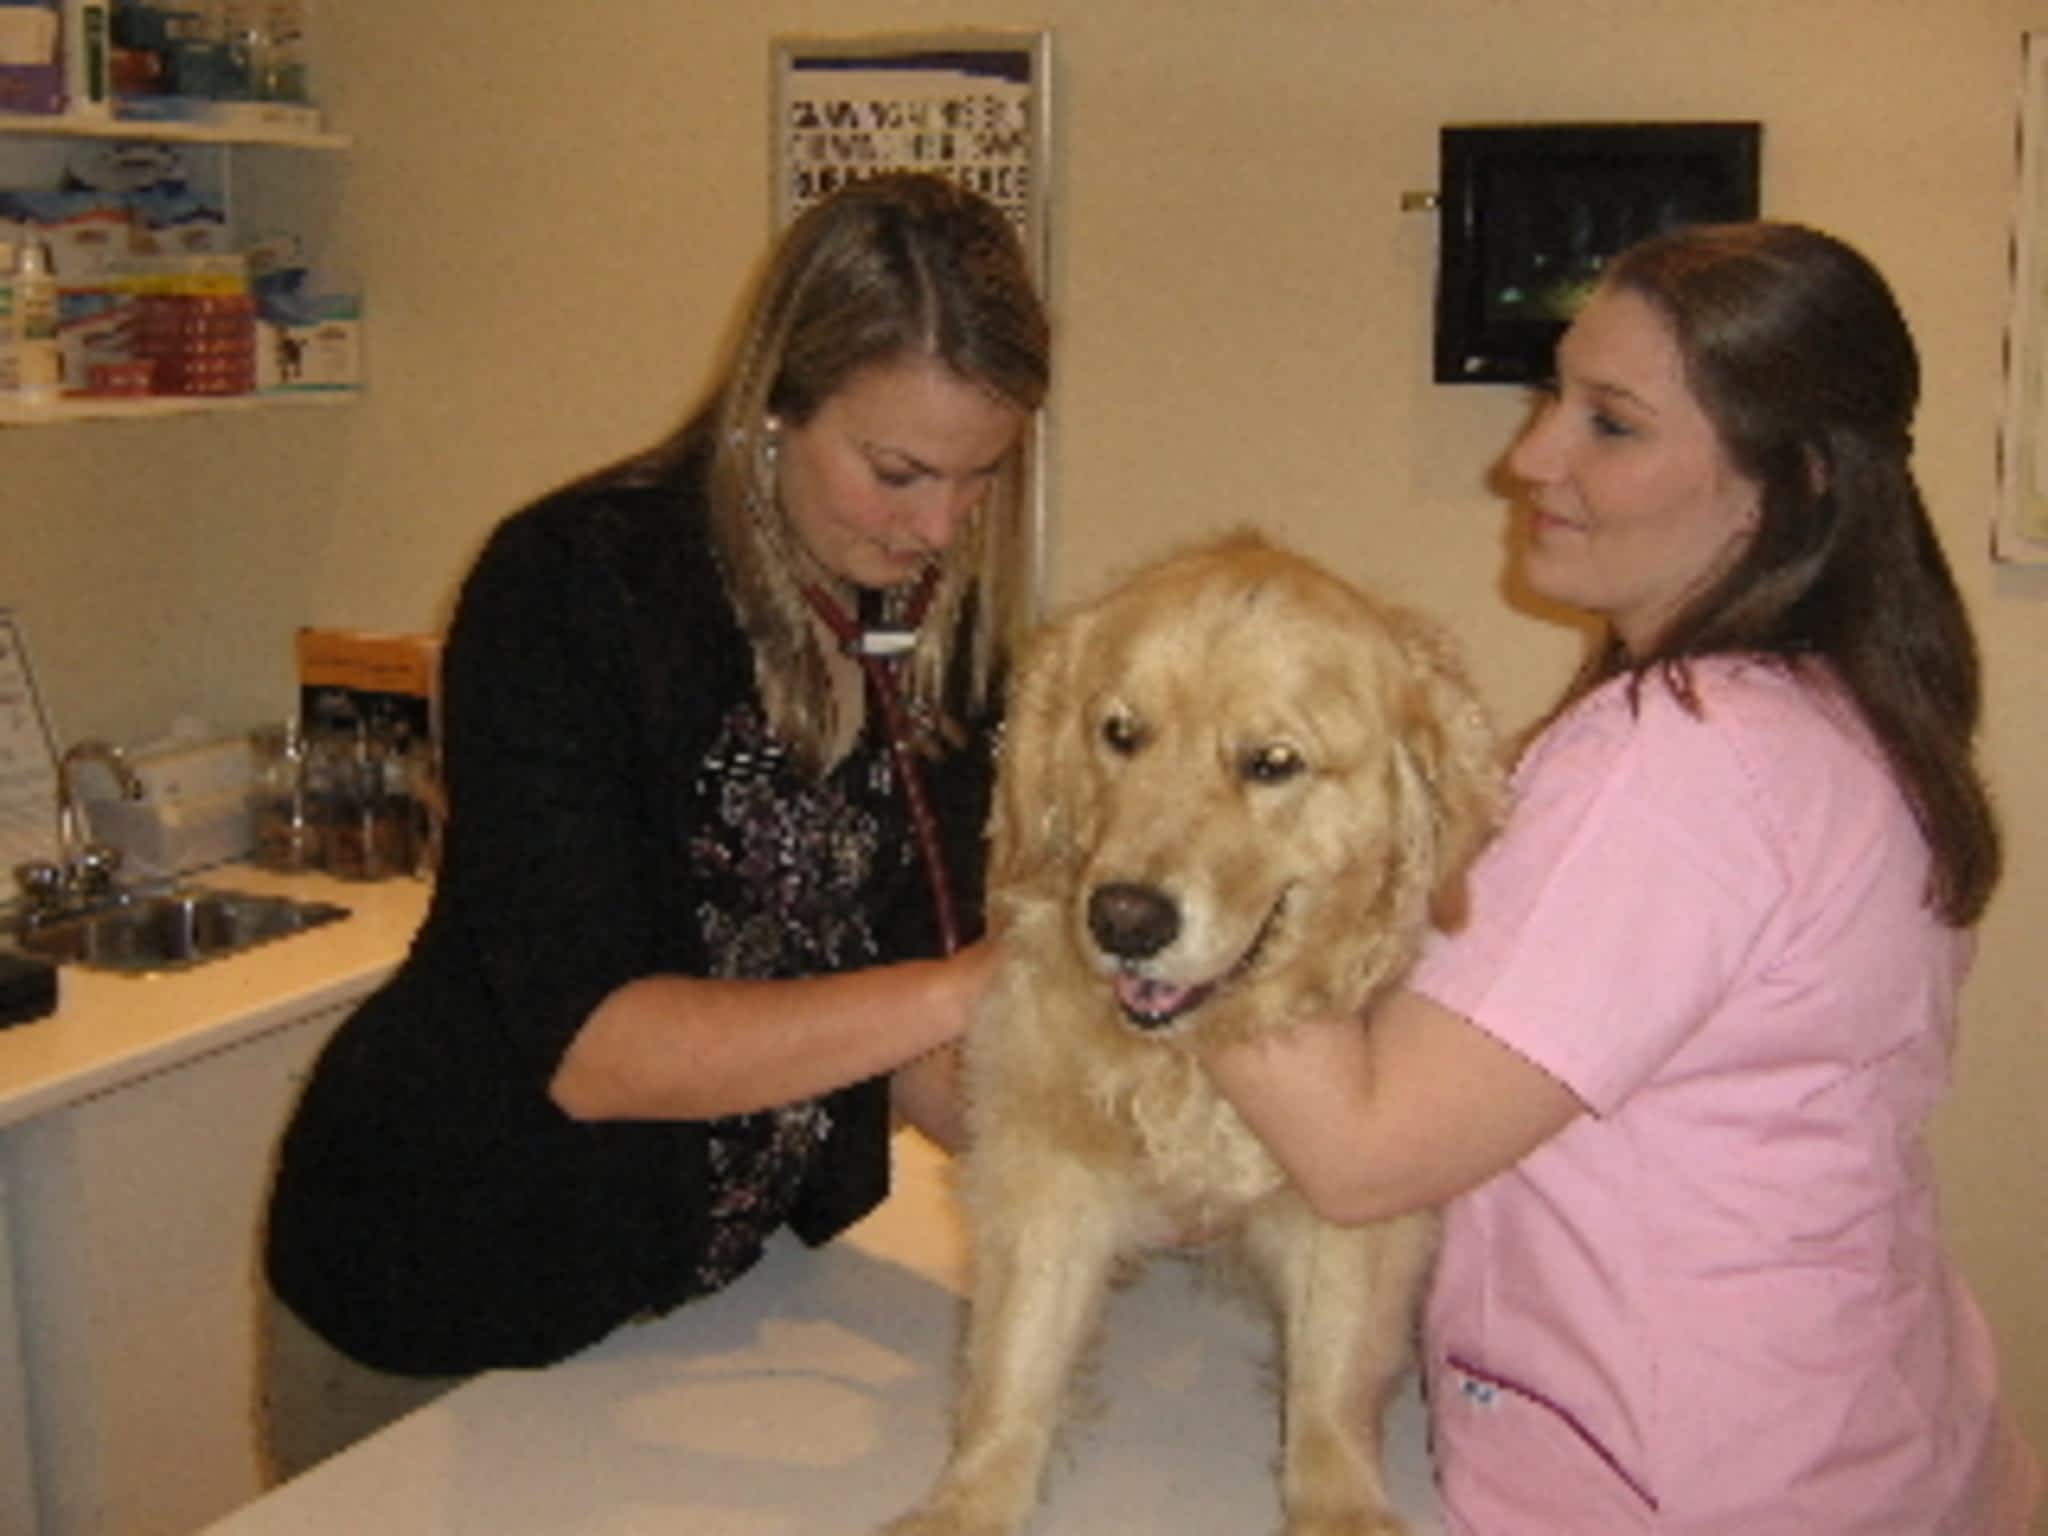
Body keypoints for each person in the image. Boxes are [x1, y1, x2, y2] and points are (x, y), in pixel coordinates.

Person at [1201, 222, 2043, 1532]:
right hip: (1871, 1433)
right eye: (1556, 394)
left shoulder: (1688, 758)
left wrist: (1165, 874)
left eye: (1613, 423)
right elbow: (1485, 1031)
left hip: (1685, 1485)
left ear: (1786, 481)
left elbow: (1365, 1153)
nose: (1530, 456)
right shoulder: (1828, 710)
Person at [259, 171, 1048, 1479]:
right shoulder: (575, 587)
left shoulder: (941, 647)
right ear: (779, 401)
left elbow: (907, 1036)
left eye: (981, 479)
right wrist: (978, 984)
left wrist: (1121, 1185)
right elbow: (598, 1050)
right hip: (450, 1272)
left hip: (715, 1294)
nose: (938, 528)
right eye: (898, 471)